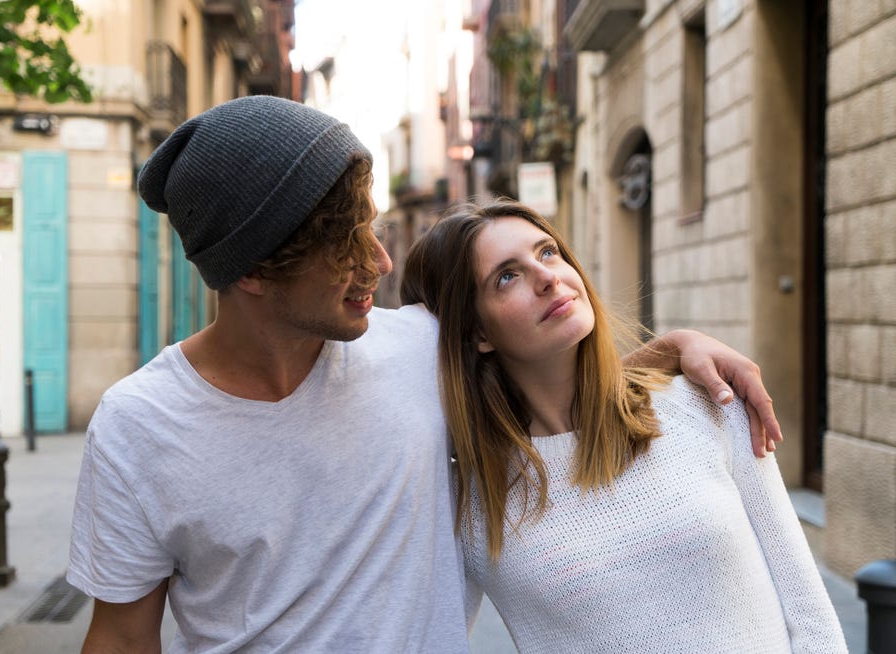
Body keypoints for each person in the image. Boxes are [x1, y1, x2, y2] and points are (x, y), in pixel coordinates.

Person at [67, 96, 782, 653]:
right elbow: (122, 640)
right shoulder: (139, 427)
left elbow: (551, 373)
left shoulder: (421, 349)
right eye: (343, 248)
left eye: (370, 230)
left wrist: (674, 351)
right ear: (252, 271)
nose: (377, 264)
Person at [400, 199, 846, 653]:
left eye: (548, 252)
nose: (548, 277)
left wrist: (672, 346)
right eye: (507, 276)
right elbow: (420, 639)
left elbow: (809, 612)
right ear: (477, 334)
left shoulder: (709, 404)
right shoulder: (471, 498)